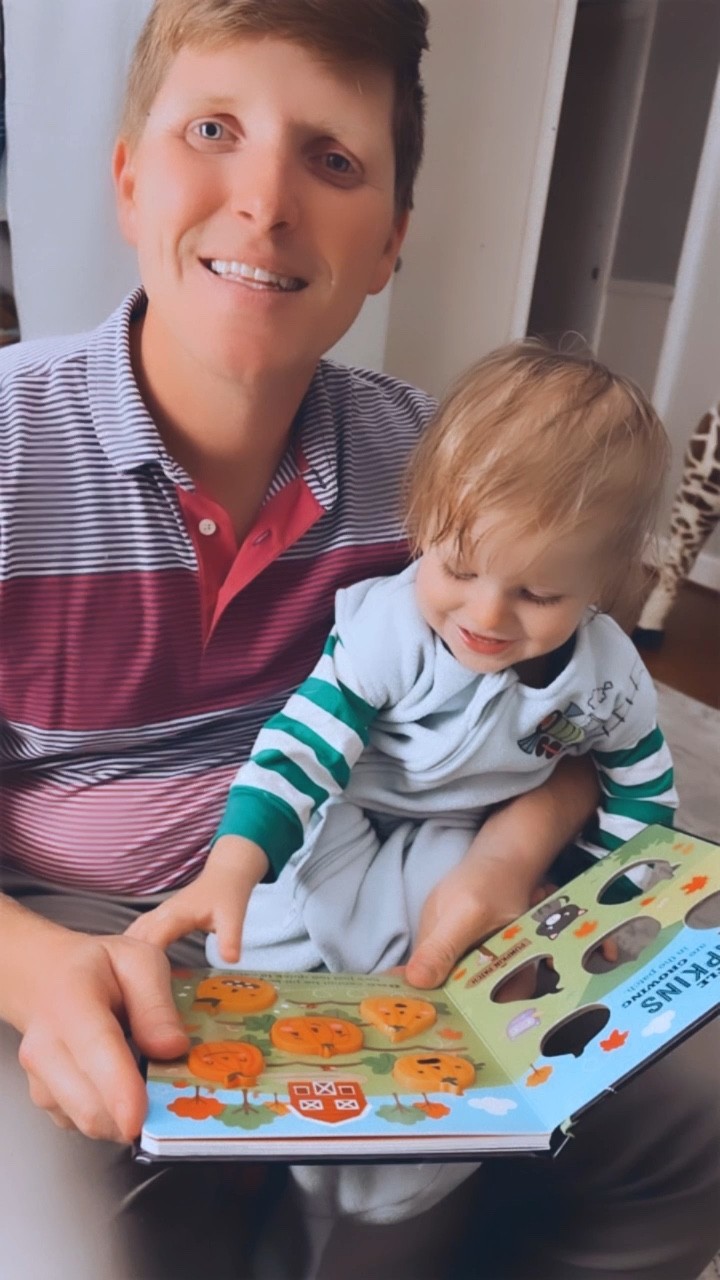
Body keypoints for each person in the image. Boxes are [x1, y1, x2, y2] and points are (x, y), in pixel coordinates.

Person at [0, 3, 717, 1278]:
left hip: (397, 869)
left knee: (697, 1090)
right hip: (82, 924)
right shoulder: (11, 447)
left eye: (331, 160)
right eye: (212, 129)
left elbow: (568, 717)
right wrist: (37, 968)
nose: (264, 201)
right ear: (125, 177)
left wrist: (518, 851)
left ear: (390, 242)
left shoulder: (453, 473)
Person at [129, 342, 678, 977]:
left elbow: (643, 788)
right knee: (270, 933)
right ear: (421, 529)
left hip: (466, 829)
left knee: (470, 943)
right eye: (459, 569)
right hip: (351, 804)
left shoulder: (611, 677)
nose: (486, 616)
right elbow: (301, 751)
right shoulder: (390, 629)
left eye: (538, 594)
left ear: (600, 585)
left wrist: (604, 900)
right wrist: (231, 863)